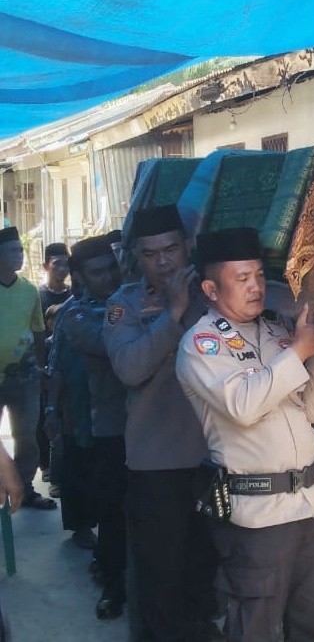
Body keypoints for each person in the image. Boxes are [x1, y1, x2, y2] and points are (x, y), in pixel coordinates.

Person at [176, 227, 314, 641]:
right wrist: (300, 352)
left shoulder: (277, 330)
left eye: (259, 276)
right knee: (256, 628)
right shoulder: (201, 344)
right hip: (260, 518)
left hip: (312, 503)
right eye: (242, 278)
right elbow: (244, 406)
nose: (255, 287)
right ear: (211, 289)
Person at [103, 205, 220, 641]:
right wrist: (172, 313)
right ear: (137, 256)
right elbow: (130, 369)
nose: (164, 261)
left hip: (211, 458)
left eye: (171, 248)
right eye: (150, 254)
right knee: (159, 579)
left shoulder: (214, 293)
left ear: (187, 246)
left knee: (203, 570)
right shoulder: (125, 305)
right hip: (156, 466)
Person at [62, 234, 129, 619]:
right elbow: (114, 343)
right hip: (110, 429)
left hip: (147, 426)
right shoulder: (76, 315)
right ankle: (113, 585)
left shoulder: (133, 300)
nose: (107, 278)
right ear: (81, 277)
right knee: (113, 511)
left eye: (111, 268)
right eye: (97, 272)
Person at [0, 226, 56, 510]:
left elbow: (37, 331)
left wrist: (42, 365)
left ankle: (24, 487)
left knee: (27, 435)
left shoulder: (28, 291)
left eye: (20, 250)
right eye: (12, 251)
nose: (19, 255)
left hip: (24, 375)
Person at [45, 273, 98, 551]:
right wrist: (52, 408)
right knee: (77, 465)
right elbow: (56, 365)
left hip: (111, 406)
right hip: (76, 403)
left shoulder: (120, 304)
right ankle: (81, 527)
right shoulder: (69, 312)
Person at [37, 242, 70, 484]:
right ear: (46, 265)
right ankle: (45, 466)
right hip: (43, 365)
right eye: (57, 264)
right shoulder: (37, 296)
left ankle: (62, 466)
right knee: (43, 415)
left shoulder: (74, 295)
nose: (62, 269)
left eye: (66, 264)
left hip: (67, 367)